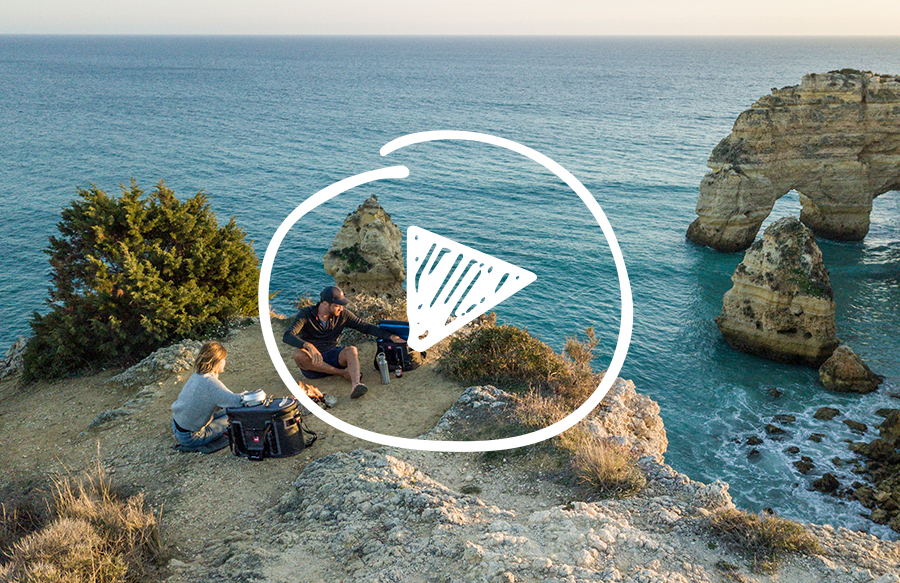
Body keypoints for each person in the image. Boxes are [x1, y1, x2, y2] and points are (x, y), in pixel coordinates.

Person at [283, 285, 405, 399]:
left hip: (333, 355)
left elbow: (365, 327)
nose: (341, 308)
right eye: (337, 305)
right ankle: (342, 373)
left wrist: (391, 336)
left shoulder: (343, 315)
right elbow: (288, 335)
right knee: (298, 354)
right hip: (313, 366)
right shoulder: (306, 314)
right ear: (325, 304)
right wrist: (308, 346)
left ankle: (356, 384)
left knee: (351, 350)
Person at [171, 341, 242, 448]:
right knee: (236, 417)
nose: (225, 362)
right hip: (191, 437)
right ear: (217, 361)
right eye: (223, 359)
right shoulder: (210, 383)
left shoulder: (197, 375)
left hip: (177, 425)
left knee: (225, 412)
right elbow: (237, 402)